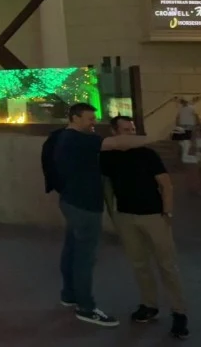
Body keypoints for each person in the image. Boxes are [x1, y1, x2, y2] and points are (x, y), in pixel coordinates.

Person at [54, 102, 150, 328]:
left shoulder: (66, 138)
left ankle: (69, 294)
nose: (94, 123)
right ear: (75, 118)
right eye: (89, 119)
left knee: (72, 250)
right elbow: (116, 143)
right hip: (85, 206)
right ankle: (86, 307)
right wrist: (155, 137)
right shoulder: (79, 139)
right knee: (84, 258)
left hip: (72, 201)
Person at [101, 116, 190, 340]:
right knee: (139, 263)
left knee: (167, 265)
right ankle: (149, 304)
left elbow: (166, 184)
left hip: (153, 215)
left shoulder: (147, 154)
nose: (130, 133)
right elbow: (107, 186)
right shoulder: (108, 157)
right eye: (125, 129)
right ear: (114, 132)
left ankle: (179, 312)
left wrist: (167, 212)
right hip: (126, 216)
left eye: (132, 129)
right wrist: (114, 215)